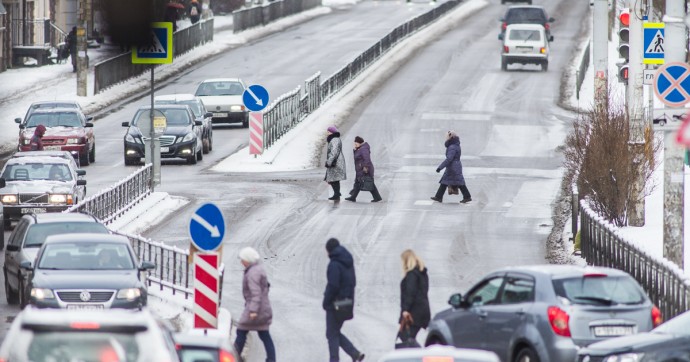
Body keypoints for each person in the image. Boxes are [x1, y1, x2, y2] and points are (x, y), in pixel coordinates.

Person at [323, 238, 364, 362]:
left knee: (331, 334)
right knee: (333, 332)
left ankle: (336, 359)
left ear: (330, 250)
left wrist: (326, 301)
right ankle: (355, 353)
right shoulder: (348, 262)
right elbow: (353, 282)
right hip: (346, 303)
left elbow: (333, 285)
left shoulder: (334, 264)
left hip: (335, 304)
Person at [234, 247, 276, 362]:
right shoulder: (257, 269)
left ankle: (233, 357)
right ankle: (271, 359)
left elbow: (256, 293)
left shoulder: (253, 273)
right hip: (262, 309)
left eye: (242, 259)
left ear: (247, 260)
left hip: (256, 310)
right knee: (264, 334)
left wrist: (253, 310)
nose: (241, 262)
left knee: (241, 330)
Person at [398, 250, 430, 344]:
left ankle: (420, 357)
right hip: (422, 312)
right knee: (407, 339)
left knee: (405, 339)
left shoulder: (412, 275)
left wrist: (405, 309)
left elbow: (410, 293)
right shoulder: (422, 273)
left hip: (413, 314)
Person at [430, 130, 472, 203]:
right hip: (454, 166)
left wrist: (440, 167)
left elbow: (449, 159)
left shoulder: (452, 147)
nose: (446, 138)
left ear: (450, 137)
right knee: (447, 181)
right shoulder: (455, 145)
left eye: (447, 137)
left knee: (457, 182)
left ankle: (467, 196)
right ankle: (439, 196)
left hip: (453, 167)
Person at [345, 136, 382, 203]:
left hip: (364, 169)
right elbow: (357, 157)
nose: (355, 145)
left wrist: (365, 168)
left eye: (356, 144)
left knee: (368, 182)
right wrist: (355, 149)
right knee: (357, 183)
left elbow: (367, 159)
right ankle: (353, 197)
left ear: (359, 143)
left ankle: (377, 197)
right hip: (360, 169)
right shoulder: (360, 148)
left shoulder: (363, 149)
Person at [324, 126, 347, 201]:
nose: (327, 133)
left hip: (335, 162)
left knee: (332, 179)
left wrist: (329, 162)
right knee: (334, 179)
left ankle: (336, 194)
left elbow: (334, 152)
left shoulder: (334, 140)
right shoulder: (335, 139)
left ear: (332, 132)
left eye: (328, 132)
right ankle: (337, 193)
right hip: (336, 161)